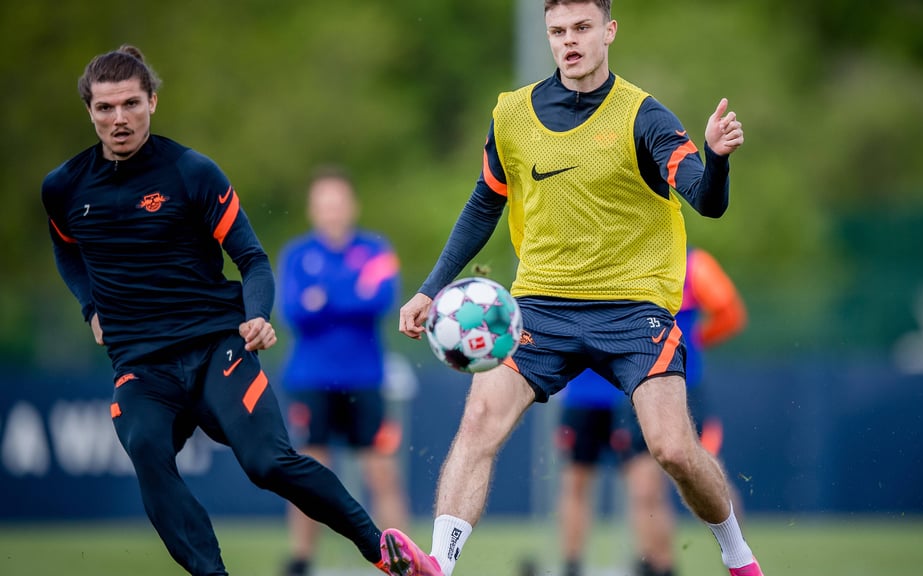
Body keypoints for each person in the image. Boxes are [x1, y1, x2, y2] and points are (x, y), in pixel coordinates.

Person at [381, 1, 763, 575]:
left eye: (582, 28)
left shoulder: (644, 116)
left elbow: (707, 201)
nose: (570, 41)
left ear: (609, 31)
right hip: (541, 306)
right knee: (480, 419)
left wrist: (717, 157)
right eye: (558, 31)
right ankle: (438, 563)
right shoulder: (511, 115)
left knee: (673, 450)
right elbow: (484, 205)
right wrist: (431, 289)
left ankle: (740, 558)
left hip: (634, 309)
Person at [41, 45, 389, 576]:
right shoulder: (64, 187)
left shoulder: (190, 172)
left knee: (268, 463)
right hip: (141, 364)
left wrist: (257, 314)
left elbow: (253, 260)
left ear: (153, 102)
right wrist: (90, 304)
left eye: (131, 104)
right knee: (148, 455)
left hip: (215, 348)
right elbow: (65, 245)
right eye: (106, 108)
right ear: (88, 111)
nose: (119, 119)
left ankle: (384, 552)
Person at [556, 246, 748, 576]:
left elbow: (730, 313)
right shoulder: (617, 261)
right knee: (645, 490)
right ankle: (661, 568)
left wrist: (692, 342)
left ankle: (739, 555)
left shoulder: (693, 265)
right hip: (638, 391)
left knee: (705, 474)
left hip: (686, 390)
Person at [277, 166, 409, 576]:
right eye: (323, 204)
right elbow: (294, 311)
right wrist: (348, 293)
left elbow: (382, 300)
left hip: (365, 379)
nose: (332, 211)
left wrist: (326, 298)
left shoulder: (375, 248)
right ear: (312, 210)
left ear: (352, 206)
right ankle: (301, 561)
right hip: (311, 380)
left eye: (338, 203)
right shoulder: (297, 254)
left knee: (381, 473)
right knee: (308, 476)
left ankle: (404, 561)